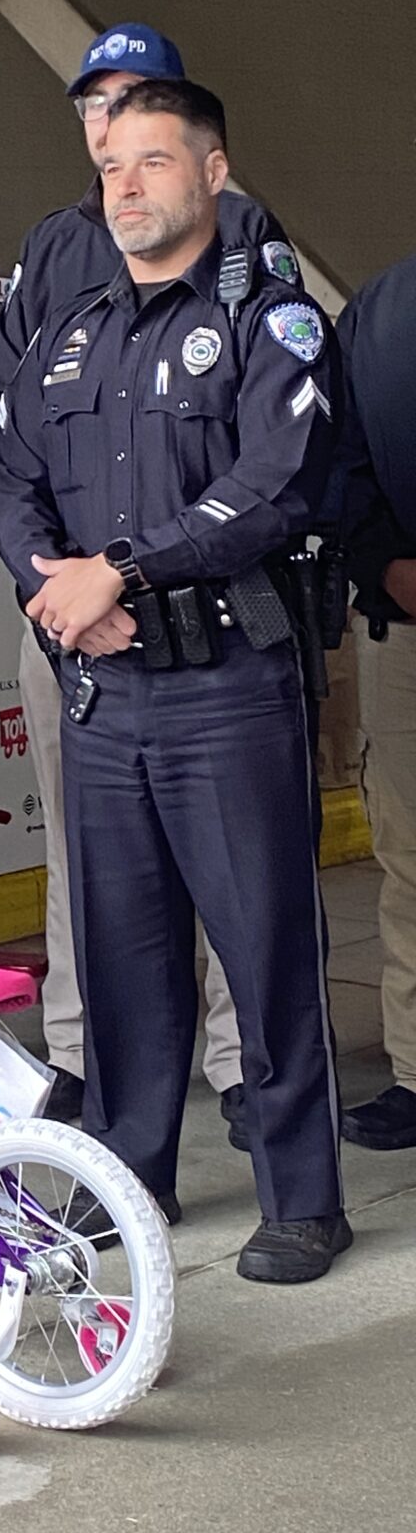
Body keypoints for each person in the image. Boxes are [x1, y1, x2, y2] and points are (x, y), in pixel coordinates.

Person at [0, 78, 350, 1284]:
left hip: (228, 688)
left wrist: (120, 574)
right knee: (124, 951)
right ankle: (131, 1177)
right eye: (113, 167)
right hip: (104, 695)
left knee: (266, 947)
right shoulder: (77, 327)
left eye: (154, 160)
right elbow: (11, 473)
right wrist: (60, 596)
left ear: (213, 172)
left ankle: (303, 1197)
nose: (127, 183)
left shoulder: (269, 316)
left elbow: (277, 484)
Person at [332, 259, 416, 1150]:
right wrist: (383, 563)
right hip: (406, 633)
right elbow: (336, 461)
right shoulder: (380, 311)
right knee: (412, 863)